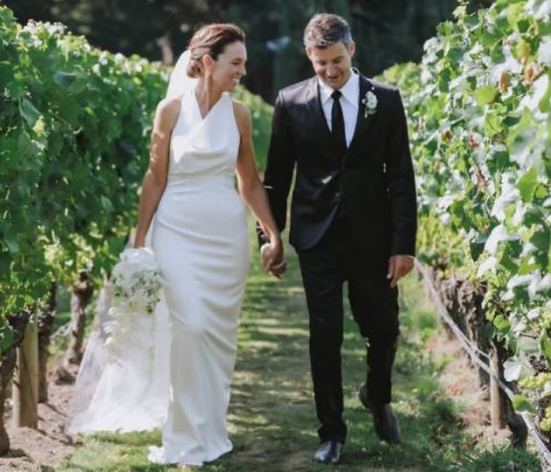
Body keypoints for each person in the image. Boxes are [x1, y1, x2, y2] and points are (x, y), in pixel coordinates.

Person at [67, 23, 285, 470]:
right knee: (190, 328)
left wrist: (272, 233)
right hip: (176, 232)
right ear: (208, 62)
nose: (242, 71)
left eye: (243, 63)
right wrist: (141, 240)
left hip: (225, 239)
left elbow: (248, 181)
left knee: (217, 339)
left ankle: (210, 430)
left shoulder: (239, 115)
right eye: (235, 63)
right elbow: (155, 178)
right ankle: (184, 439)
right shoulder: (169, 111)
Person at [257, 13, 417, 464]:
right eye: (321, 62)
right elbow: (276, 179)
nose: (330, 71)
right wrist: (270, 236)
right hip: (317, 236)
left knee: (382, 330)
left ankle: (378, 395)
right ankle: (332, 431)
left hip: (374, 237)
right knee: (323, 335)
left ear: (352, 50)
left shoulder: (385, 100)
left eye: (337, 61)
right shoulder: (290, 102)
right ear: (309, 56)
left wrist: (403, 244)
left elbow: (401, 175)